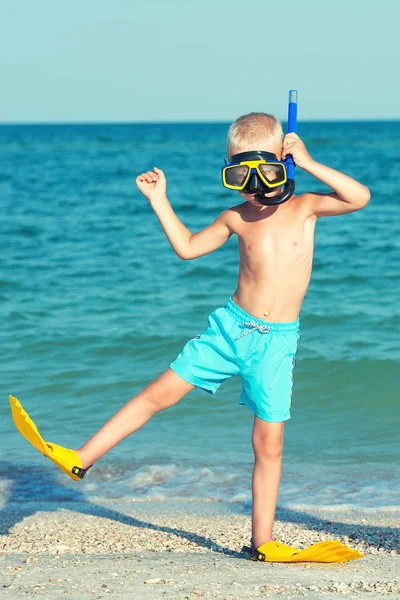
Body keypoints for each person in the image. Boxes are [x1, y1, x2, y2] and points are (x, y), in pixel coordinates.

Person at [10, 112, 370, 562]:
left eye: (267, 171)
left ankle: (263, 542)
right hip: (229, 330)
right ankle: (81, 457)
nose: (254, 185)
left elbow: (359, 197)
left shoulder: (307, 206)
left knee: (268, 443)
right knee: (155, 396)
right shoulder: (236, 216)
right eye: (240, 174)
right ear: (229, 171)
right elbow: (187, 248)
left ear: (284, 162)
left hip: (276, 343)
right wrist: (159, 199)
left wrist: (310, 161)